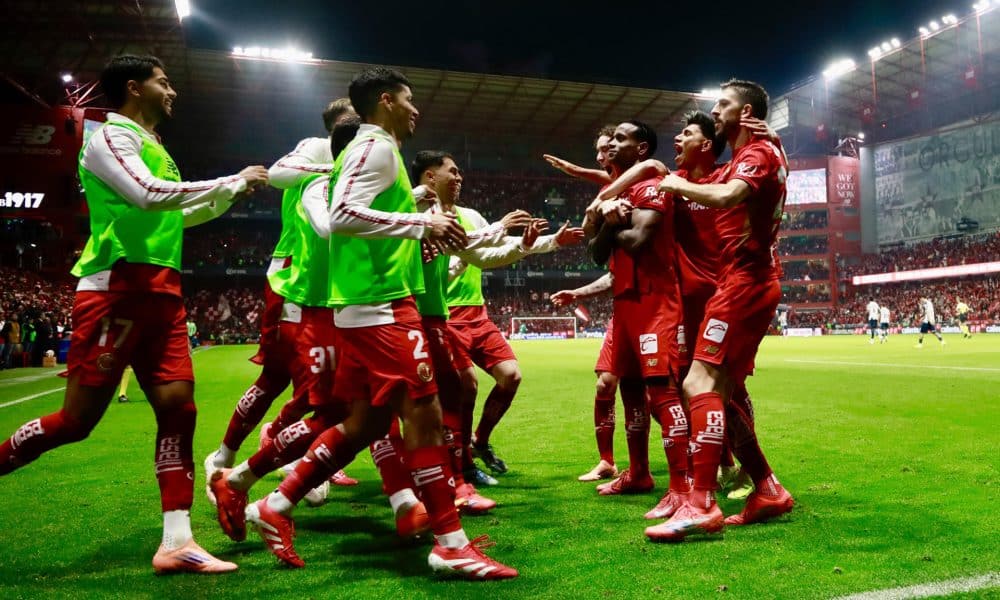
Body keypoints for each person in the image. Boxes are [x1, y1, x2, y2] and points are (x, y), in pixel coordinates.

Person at [243, 66, 517, 579]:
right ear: (386, 100)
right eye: (410, 101)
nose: (416, 111)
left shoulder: (369, 151)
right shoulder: (377, 148)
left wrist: (421, 226)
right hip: (380, 307)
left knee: (367, 421)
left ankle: (272, 507)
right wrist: (420, 222)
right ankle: (450, 544)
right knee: (425, 413)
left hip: (368, 304)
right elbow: (344, 214)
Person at [0, 54, 269, 572]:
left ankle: (176, 541)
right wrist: (225, 179)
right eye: (163, 82)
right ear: (133, 87)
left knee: (178, 408)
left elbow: (181, 212)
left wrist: (232, 190)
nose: (173, 91)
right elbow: (146, 196)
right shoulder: (109, 139)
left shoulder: (156, 149)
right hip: (117, 289)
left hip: (163, 291)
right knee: (76, 422)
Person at [645, 80, 794, 541]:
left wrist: (671, 181)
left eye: (723, 104)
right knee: (722, 392)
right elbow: (713, 183)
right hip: (743, 280)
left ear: (744, 111)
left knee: (697, 382)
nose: (715, 111)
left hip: (744, 281)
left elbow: (730, 195)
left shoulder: (756, 157)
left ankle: (701, 502)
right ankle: (767, 488)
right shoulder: (756, 153)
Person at [203, 99, 357, 507]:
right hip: (294, 280)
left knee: (318, 386)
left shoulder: (361, 159)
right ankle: (235, 457)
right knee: (282, 380)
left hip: (330, 288)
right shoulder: (315, 149)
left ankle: (277, 451)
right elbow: (276, 173)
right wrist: (332, 168)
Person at [588, 119, 689, 511]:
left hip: (656, 301)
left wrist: (611, 223)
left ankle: (682, 487)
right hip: (624, 303)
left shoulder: (654, 186)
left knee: (662, 393)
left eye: (620, 139)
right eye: (609, 137)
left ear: (641, 149)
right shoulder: (617, 193)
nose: (610, 143)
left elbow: (640, 239)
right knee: (629, 389)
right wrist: (607, 219)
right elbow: (596, 252)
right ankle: (639, 472)